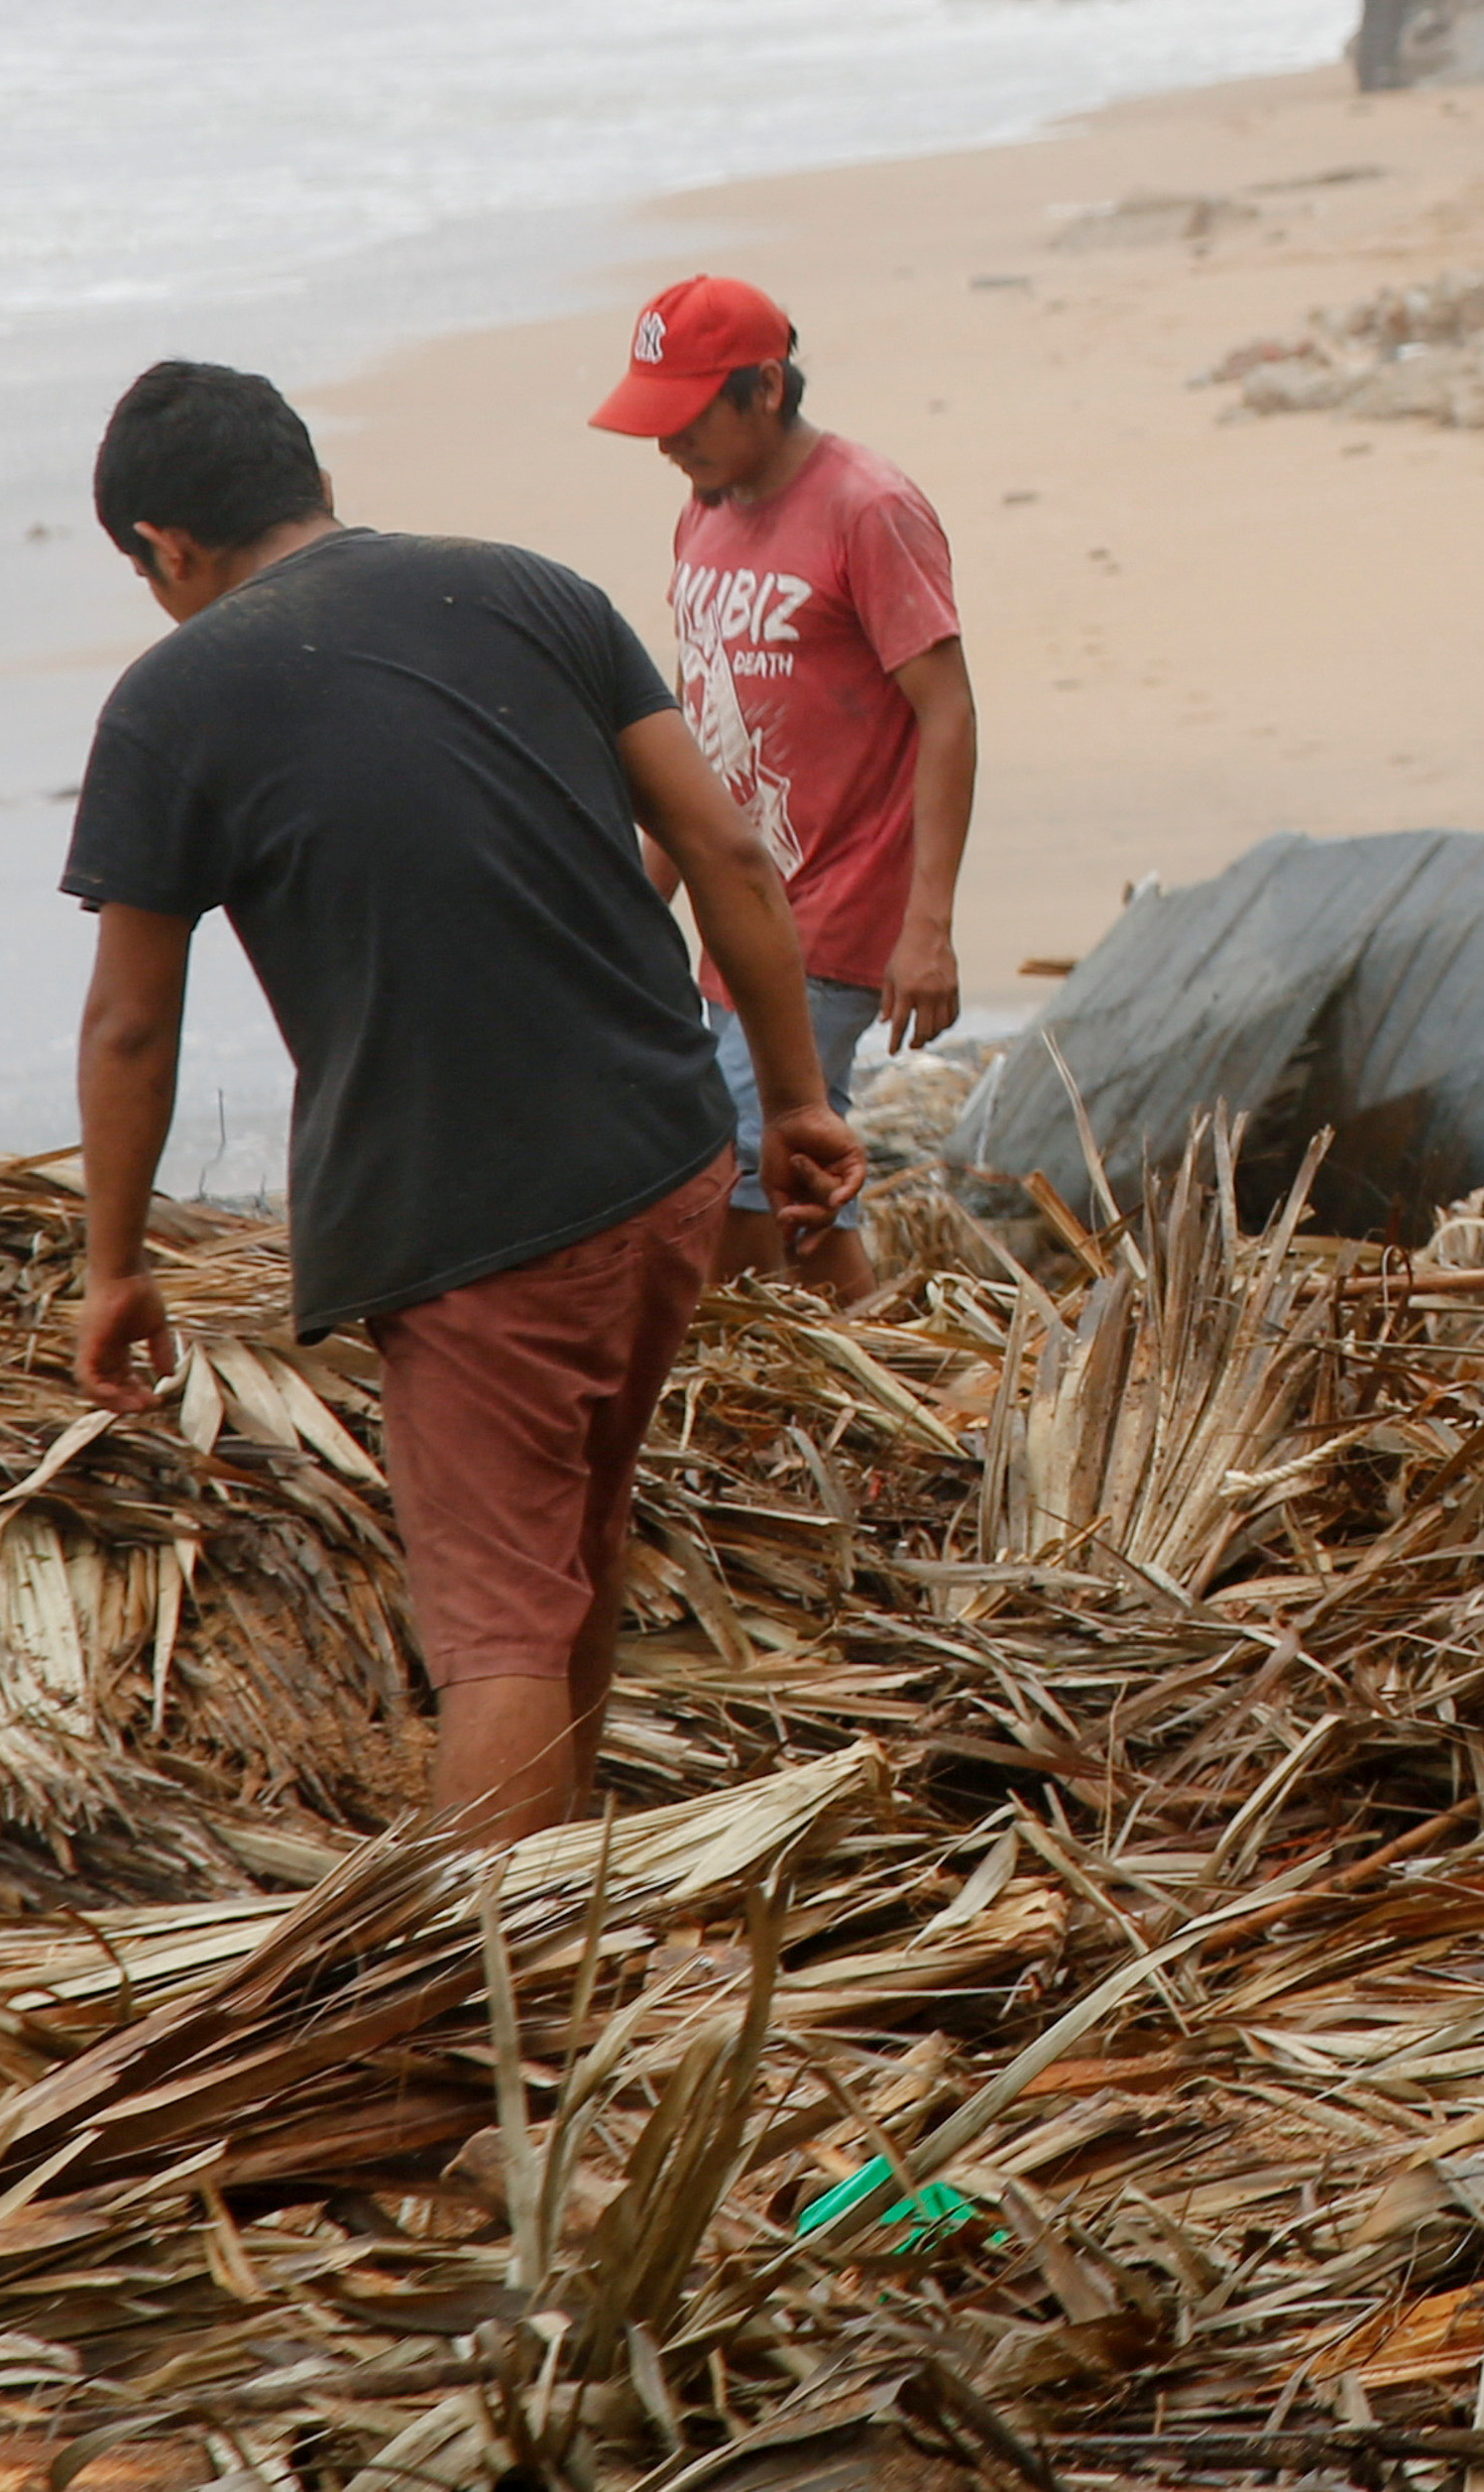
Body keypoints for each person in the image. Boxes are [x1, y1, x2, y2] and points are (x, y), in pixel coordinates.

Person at [56, 360, 864, 1841]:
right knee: (574, 1544)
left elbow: (128, 1028)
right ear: (306, 477)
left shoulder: (171, 703)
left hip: (476, 1213)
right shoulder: (527, 589)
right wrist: (795, 1103)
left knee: (493, 1627)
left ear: (166, 547)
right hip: (667, 1147)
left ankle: (475, 2004)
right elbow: (732, 856)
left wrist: (115, 1266)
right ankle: (570, 1890)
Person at [590, 276, 977, 1292]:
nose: (666, 445)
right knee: (798, 1169)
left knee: (736, 1181)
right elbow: (696, 727)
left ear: (763, 387)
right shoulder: (701, 517)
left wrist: (926, 926)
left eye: (683, 418)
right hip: (737, 895)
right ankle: (870, 1342)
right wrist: (646, 895)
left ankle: (761, 1367)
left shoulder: (869, 508)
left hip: (837, 901)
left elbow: (947, 710)